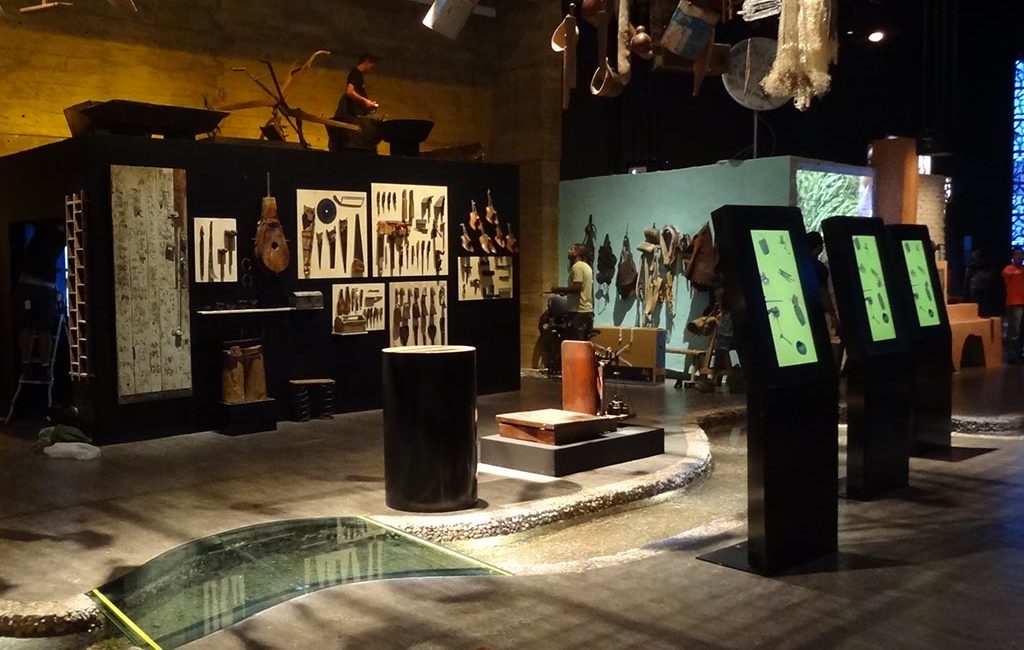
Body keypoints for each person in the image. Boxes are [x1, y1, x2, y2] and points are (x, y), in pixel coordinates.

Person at [13, 222, 66, 379]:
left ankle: (30, 365)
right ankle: (42, 366)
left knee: (33, 327)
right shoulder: (54, 234)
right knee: (42, 329)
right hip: (39, 286)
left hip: (32, 285)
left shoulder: (44, 232)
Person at [329, 54, 380, 152]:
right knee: (375, 122)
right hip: (356, 117)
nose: (372, 69)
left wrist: (368, 103)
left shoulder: (358, 75)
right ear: (367, 61)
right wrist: (365, 101)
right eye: (372, 65)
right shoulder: (356, 73)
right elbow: (350, 91)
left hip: (358, 115)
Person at [552, 243, 594, 341]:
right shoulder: (587, 267)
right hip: (587, 312)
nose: (569, 251)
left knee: (575, 345)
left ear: (577, 253)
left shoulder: (577, 267)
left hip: (578, 312)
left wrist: (558, 289)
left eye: (572, 249)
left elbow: (577, 288)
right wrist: (566, 292)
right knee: (583, 345)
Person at [1001, 247, 1024, 363]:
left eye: (1021, 254)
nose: (1019, 256)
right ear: (1013, 256)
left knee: (1021, 331)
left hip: (1022, 302)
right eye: (1016, 254)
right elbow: (1005, 274)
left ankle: (1019, 353)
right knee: (1014, 331)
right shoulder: (1008, 269)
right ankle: (1012, 355)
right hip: (1014, 303)